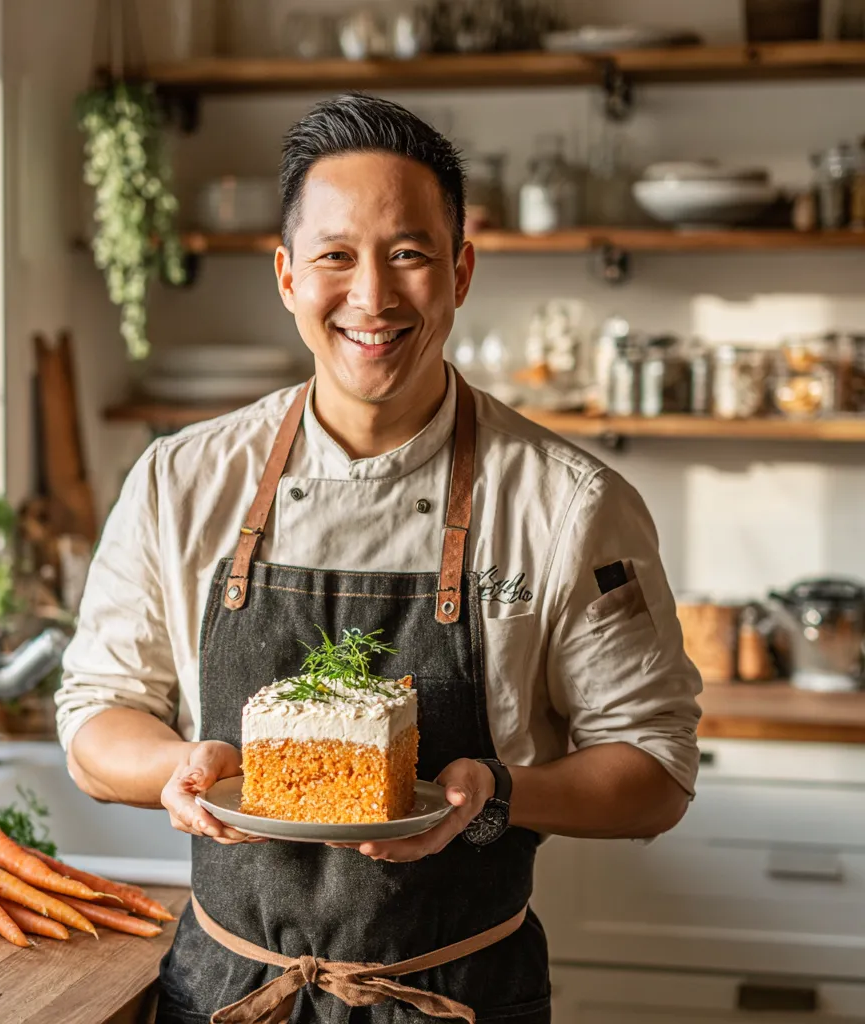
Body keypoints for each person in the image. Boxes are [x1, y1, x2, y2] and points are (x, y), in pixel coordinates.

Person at [56, 93, 701, 1024]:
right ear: (285, 276)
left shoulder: (569, 506)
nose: (371, 297)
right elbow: (94, 717)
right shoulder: (180, 482)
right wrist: (175, 768)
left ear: (461, 271)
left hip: (460, 993)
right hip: (228, 993)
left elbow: (655, 768)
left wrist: (496, 794)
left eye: (408, 254)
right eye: (334, 257)